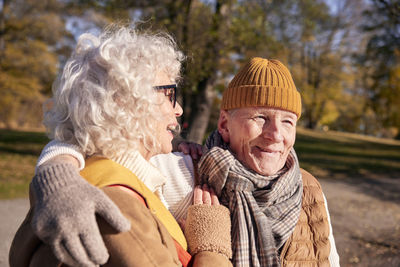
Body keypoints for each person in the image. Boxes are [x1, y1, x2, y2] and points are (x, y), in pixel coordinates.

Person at [16, 57, 340, 266]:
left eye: (288, 122)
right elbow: (99, 142)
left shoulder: (308, 186)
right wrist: (56, 167)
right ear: (224, 124)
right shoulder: (185, 174)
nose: (275, 134)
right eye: (260, 117)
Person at [9, 24, 232, 267]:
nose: (178, 109)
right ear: (124, 101)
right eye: (169, 94)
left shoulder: (79, 182)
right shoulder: (118, 206)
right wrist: (213, 248)